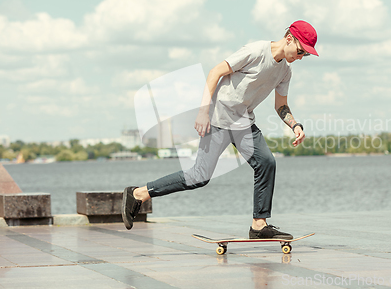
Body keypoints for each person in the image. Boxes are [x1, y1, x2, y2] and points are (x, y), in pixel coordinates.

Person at [122, 20, 319, 239]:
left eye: (305, 55)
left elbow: (281, 105)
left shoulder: (285, 71)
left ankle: (259, 225)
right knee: (199, 176)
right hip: (217, 118)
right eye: (301, 51)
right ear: (289, 38)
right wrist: (203, 112)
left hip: (243, 122)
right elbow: (215, 72)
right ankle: (138, 193)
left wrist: (295, 125)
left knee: (266, 162)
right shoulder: (255, 51)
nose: (300, 57)